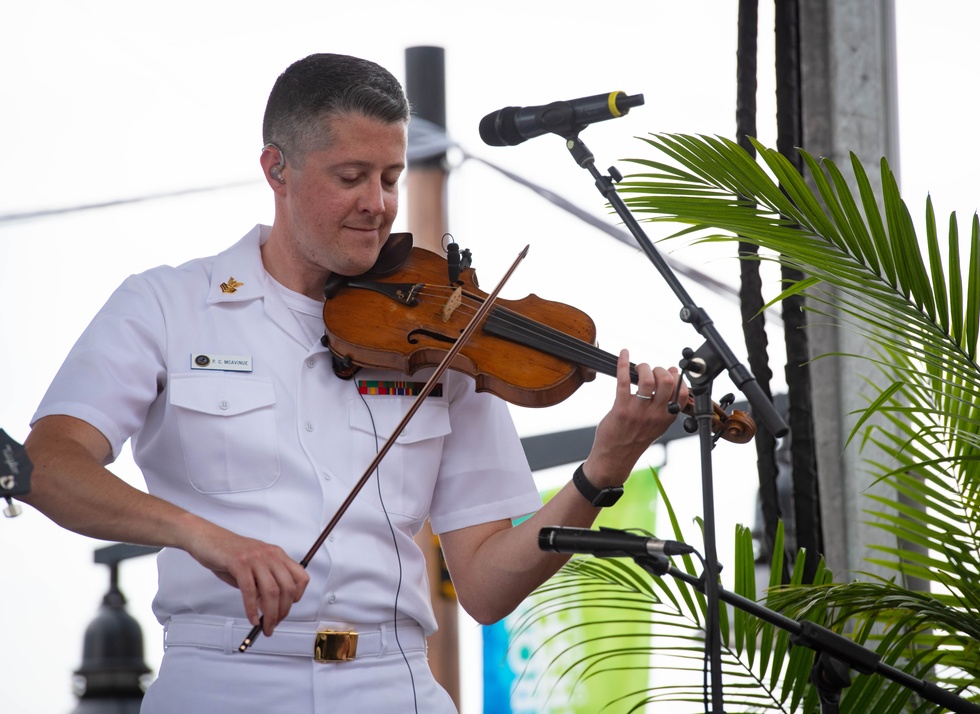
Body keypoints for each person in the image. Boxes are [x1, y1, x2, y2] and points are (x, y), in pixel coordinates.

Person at [23, 53, 686, 713]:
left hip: (394, 685)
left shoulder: (446, 336)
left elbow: (485, 586)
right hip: (223, 680)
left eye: (392, 178)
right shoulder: (165, 305)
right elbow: (48, 466)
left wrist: (604, 468)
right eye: (351, 177)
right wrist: (201, 534)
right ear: (276, 169)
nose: (379, 205)